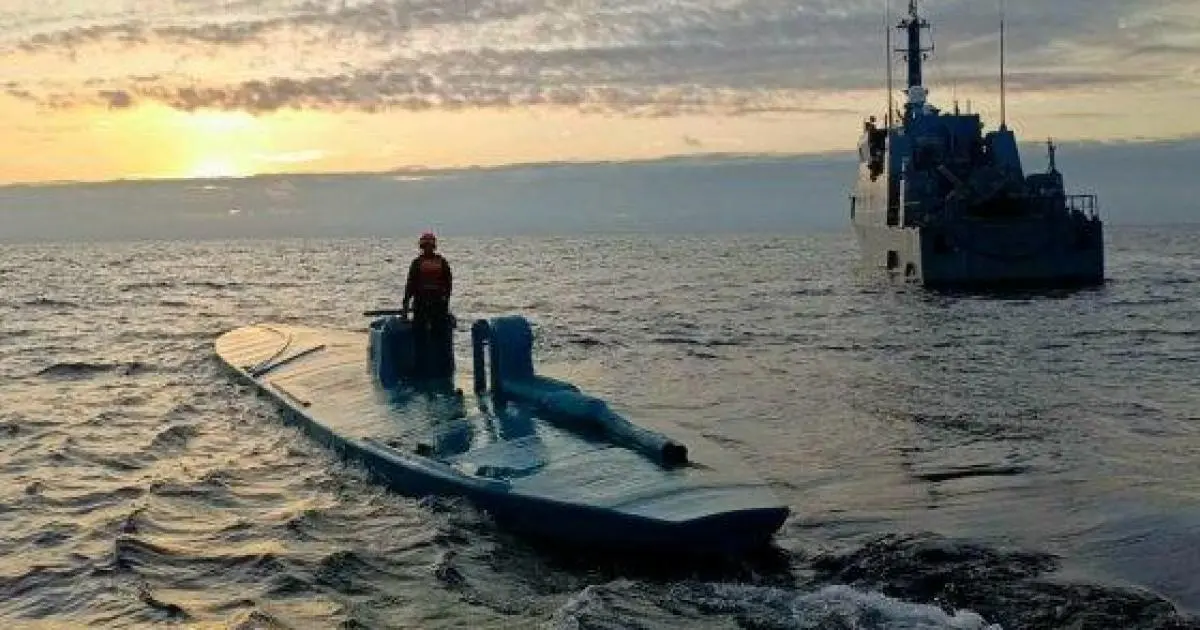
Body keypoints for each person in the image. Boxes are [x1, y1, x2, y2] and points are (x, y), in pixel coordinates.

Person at [402, 231, 453, 375]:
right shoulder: (438, 262)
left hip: (431, 305)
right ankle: (438, 367)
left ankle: (426, 367)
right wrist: (406, 304)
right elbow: (411, 286)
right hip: (429, 304)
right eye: (427, 246)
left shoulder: (421, 263)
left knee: (428, 337)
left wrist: (406, 306)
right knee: (428, 337)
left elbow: (410, 286)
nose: (428, 248)